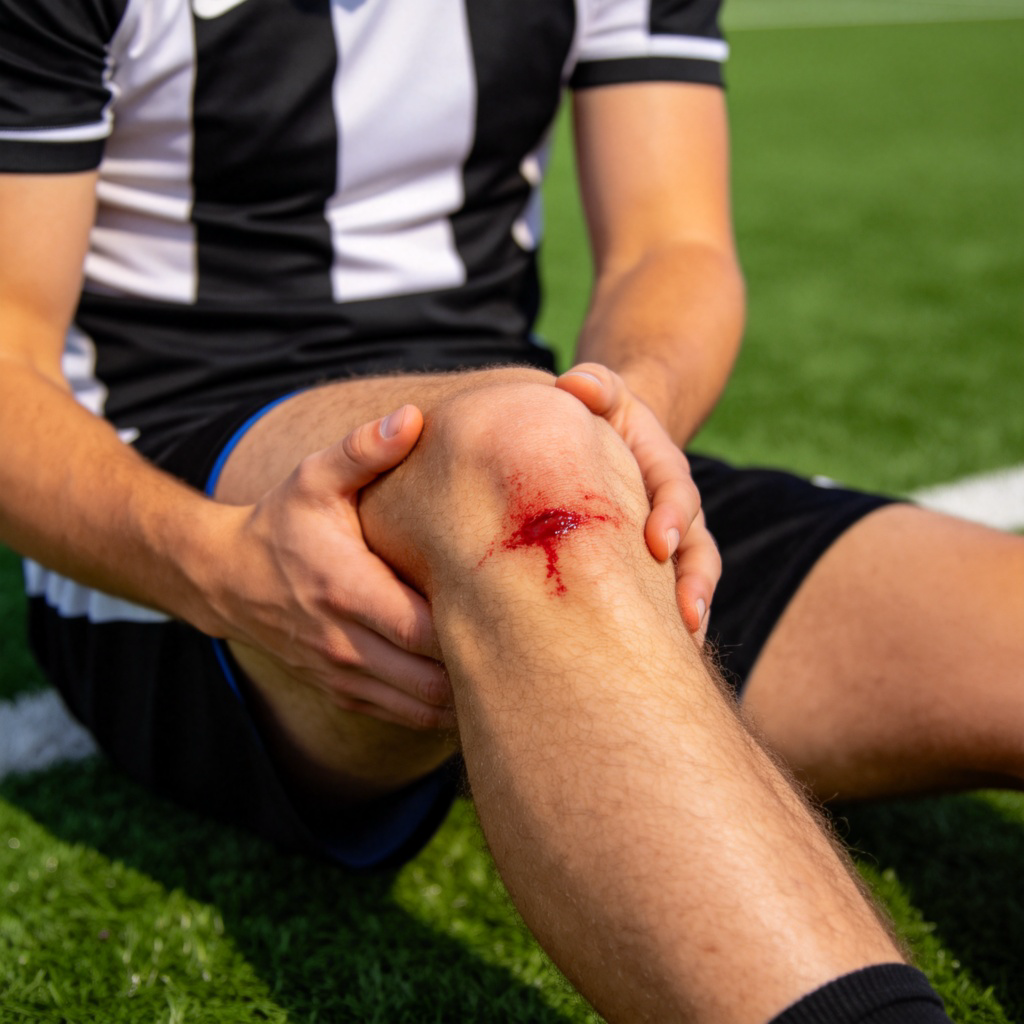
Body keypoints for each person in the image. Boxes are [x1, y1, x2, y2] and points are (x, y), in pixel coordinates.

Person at [1, 0, 1019, 1020]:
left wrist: (622, 429)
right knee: (515, 445)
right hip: (195, 487)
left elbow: (671, 246)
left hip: (536, 450)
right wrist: (212, 566)